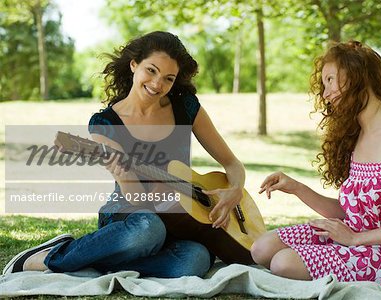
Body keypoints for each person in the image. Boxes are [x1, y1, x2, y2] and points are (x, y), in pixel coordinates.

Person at [3, 31, 245, 278]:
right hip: (128, 216)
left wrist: (235, 189)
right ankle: (52, 256)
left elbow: (232, 163)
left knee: (195, 260)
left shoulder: (186, 107)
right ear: (133, 65)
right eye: (151, 70)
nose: (157, 84)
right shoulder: (106, 123)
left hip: (177, 219)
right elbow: (137, 199)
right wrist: (122, 171)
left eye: (168, 78)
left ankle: (97, 260)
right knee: (148, 229)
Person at [250, 41, 381, 293]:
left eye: (330, 80)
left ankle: (331, 259)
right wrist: (296, 188)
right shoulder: (356, 133)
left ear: (357, 75)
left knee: (283, 263)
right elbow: (349, 212)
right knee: (261, 248)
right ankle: (331, 257)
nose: (325, 94)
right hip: (353, 236)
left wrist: (355, 239)